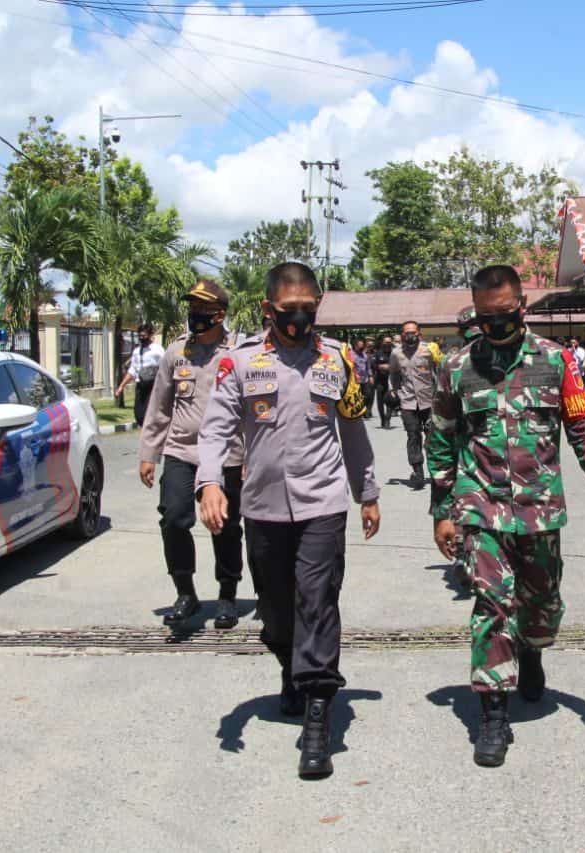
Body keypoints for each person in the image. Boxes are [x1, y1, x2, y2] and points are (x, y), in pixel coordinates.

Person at [428, 264, 585, 768]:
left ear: (522, 306)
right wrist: (442, 511)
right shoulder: (457, 367)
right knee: (491, 606)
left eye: (505, 314)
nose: (496, 324)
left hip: (541, 508)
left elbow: (581, 425)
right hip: (481, 507)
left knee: (544, 606)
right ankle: (492, 714)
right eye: (486, 317)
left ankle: (532, 649)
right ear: (476, 313)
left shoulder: (555, 362)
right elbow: (442, 441)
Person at [196, 261, 380, 780]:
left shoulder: (339, 359)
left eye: (307, 309)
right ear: (267, 310)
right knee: (277, 613)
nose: (298, 319)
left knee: (318, 602)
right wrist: (210, 482)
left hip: (323, 503)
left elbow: (354, 430)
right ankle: (288, 667)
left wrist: (366, 491)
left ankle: (318, 719)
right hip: (263, 507)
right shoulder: (239, 362)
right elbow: (214, 432)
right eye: (287, 311)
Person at [137, 280, 244, 630]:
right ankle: (186, 592)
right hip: (182, 450)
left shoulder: (239, 351)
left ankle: (227, 595)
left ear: (220, 314)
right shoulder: (176, 352)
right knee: (173, 518)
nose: (195, 314)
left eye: (202, 309)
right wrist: (149, 453)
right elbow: (160, 406)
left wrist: (252, 458)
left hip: (229, 454)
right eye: (192, 308)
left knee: (225, 526)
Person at [389, 320, 437, 489]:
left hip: (429, 400)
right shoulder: (396, 354)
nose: (410, 335)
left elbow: (439, 370)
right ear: (402, 335)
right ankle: (417, 471)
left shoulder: (429, 350)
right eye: (407, 332)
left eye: (413, 332)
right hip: (408, 401)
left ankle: (437, 471)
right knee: (413, 435)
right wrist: (395, 391)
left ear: (419, 333)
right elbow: (394, 373)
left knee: (433, 437)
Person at [115, 322, 163, 426]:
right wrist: (121, 387)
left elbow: (165, 367)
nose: (142, 338)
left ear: (150, 335)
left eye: (144, 336)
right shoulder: (137, 351)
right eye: (140, 336)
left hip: (153, 386)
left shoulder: (157, 350)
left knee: (151, 413)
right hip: (141, 386)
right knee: (139, 414)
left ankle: (152, 436)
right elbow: (132, 371)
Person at [371, 334, 395, 429]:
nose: (387, 344)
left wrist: (390, 367)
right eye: (386, 342)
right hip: (380, 381)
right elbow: (373, 365)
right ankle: (383, 419)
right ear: (382, 343)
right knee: (380, 402)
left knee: (391, 401)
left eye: (389, 342)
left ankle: (388, 419)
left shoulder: (395, 353)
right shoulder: (378, 353)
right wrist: (380, 367)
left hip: (392, 382)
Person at [351, 337, 373, 419]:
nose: (361, 347)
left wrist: (370, 376)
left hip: (365, 379)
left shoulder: (365, 355)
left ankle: (365, 410)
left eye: (362, 346)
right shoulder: (351, 355)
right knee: (357, 397)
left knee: (368, 395)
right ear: (355, 346)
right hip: (355, 380)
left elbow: (368, 367)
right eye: (359, 346)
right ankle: (359, 412)